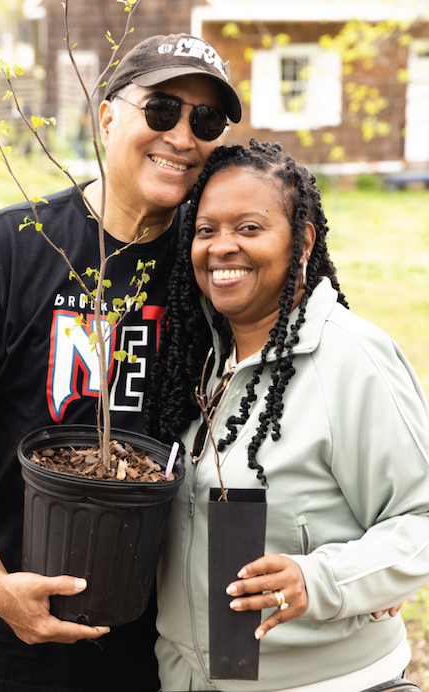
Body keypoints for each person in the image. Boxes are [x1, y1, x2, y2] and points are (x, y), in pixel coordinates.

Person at [0, 34, 241, 692]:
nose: (183, 136)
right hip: (8, 644)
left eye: (206, 121)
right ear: (106, 116)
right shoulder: (6, 252)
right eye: (162, 110)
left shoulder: (214, 272)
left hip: (159, 651)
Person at [146, 140, 429, 692]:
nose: (222, 247)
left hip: (329, 681)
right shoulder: (195, 358)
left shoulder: (351, 359)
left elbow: (420, 520)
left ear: (301, 240)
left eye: (249, 228)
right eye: (206, 231)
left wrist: (317, 579)